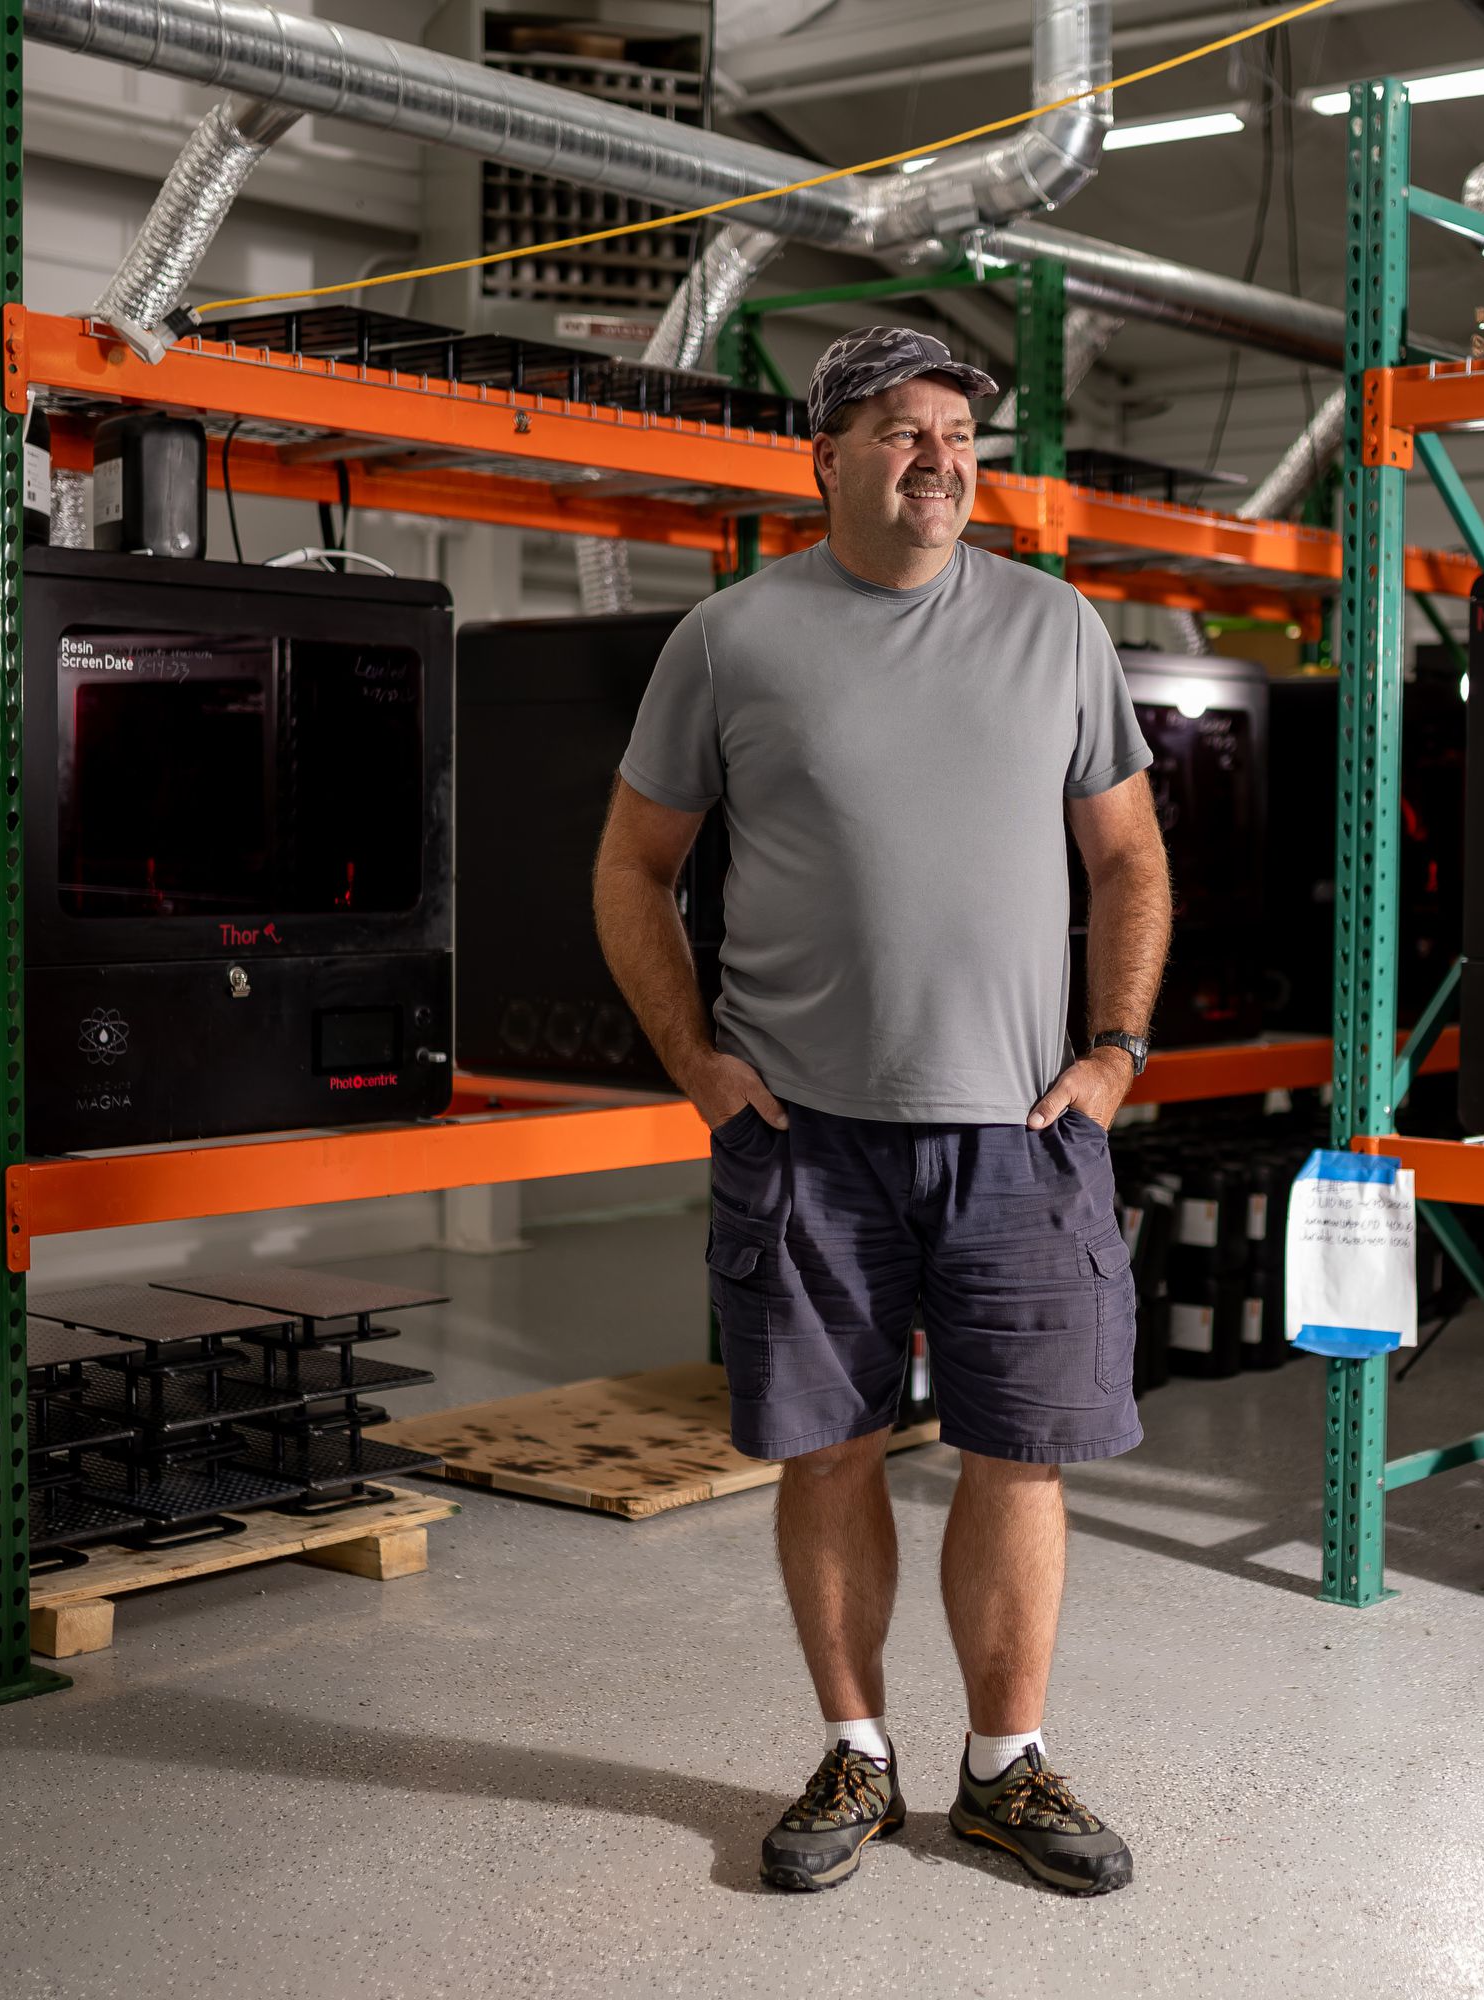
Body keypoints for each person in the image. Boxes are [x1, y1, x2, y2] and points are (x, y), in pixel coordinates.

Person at [593, 326, 1171, 1897]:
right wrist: (698, 1061)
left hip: (1021, 1134)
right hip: (808, 1141)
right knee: (830, 1452)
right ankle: (858, 1749)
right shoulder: (730, 640)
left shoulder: (1055, 629)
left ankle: (1006, 1771)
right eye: (903, 431)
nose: (940, 456)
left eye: (961, 432)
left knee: (1020, 1455)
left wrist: (1114, 1053)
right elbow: (633, 869)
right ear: (826, 458)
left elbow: (1127, 860)